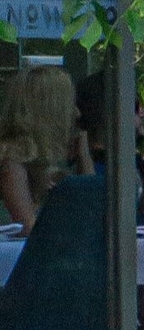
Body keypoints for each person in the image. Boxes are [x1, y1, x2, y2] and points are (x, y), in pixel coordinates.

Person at [0, 66, 94, 230]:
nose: (77, 113)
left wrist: (83, 156)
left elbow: (93, 207)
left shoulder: (50, 159)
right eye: (68, 105)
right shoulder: (12, 159)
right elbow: (29, 227)